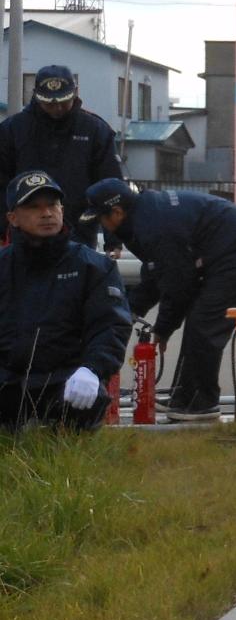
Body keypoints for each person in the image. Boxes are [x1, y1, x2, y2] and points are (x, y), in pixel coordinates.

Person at [81, 178, 236, 422]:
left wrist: (163, 328)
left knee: (205, 323)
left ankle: (200, 403)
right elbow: (157, 274)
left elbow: (178, 286)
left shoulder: (153, 226)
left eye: (102, 219)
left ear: (117, 211)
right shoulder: (144, 217)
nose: (103, 226)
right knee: (199, 319)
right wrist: (128, 310)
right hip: (228, 249)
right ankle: (185, 395)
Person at [0, 170, 131, 431]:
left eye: (52, 205)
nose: (47, 213)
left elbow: (111, 326)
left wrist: (92, 369)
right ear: (13, 218)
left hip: (68, 383)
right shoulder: (3, 267)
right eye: (34, 207)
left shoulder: (94, 267)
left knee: (82, 400)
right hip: (8, 382)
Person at [0, 65, 123, 241]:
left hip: (79, 232)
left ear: (76, 92)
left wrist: (114, 239)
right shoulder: (12, 130)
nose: (57, 108)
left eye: (64, 101)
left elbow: (110, 187)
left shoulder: (95, 129)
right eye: (50, 103)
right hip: (23, 234)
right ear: (35, 95)